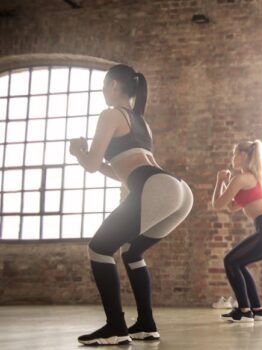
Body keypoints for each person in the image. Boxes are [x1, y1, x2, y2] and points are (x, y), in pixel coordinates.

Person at [71, 64, 194, 345]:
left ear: (114, 85)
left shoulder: (111, 114)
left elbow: (90, 165)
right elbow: (121, 172)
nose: (103, 92)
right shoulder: (140, 121)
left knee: (99, 248)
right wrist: (94, 161)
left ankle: (115, 326)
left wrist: (79, 152)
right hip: (177, 190)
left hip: (155, 187)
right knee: (131, 251)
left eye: (104, 86)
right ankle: (146, 325)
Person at [211, 140, 262, 323]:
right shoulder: (252, 179)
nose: (233, 157)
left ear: (244, 156)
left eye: (235, 153)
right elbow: (231, 206)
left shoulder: (241, 178)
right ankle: (257, 310)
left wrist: (219, 181)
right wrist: (223, 183)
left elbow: (218, 204)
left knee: (230, 261)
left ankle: (244, 311)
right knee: (239, 263)